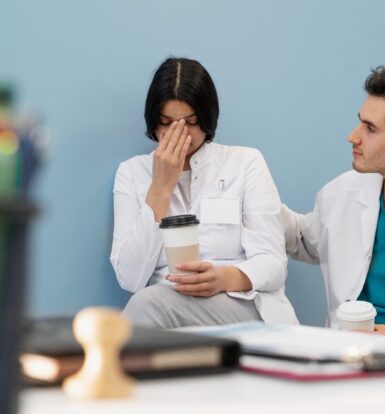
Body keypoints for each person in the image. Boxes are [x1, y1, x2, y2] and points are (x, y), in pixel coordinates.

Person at [111, 57, 298, 328]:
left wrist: (224, 278)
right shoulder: (131, 173)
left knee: (147, 305)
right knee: (150, 302)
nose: (179, 133)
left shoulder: (245, 162)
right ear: (154, 121)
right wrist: (161, 188)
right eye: (166, 123)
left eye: (190, 122)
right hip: (166, 305)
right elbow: (130, 278)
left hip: (241, 302)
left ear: (207, 118)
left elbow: (273, 264)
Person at [281, 66, 385, 333]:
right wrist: (248, 198)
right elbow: (306, 239)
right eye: (360, 121)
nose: (353, 136)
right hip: (346, 352)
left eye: (370, 129)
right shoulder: (344, 193)